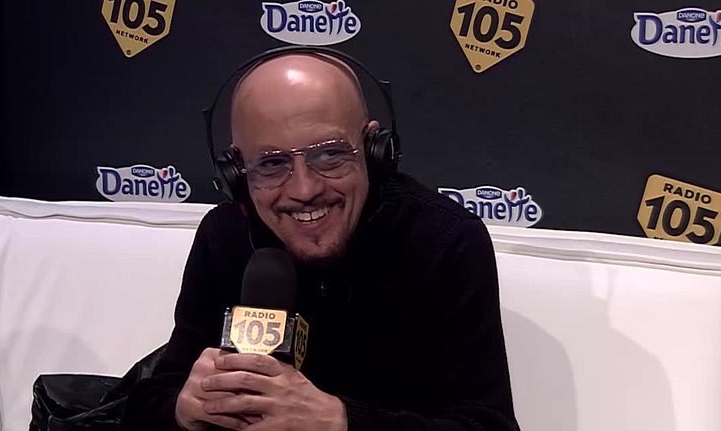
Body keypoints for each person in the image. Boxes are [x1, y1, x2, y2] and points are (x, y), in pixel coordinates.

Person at [121, 48, 519, 431]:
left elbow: (488, 424)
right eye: (272, 163)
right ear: (236, 172)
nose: (304, 189)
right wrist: (181, 411)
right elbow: (148, 402)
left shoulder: (445, 241)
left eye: (329, 155)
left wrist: (340, 422)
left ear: (374, 151)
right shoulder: (224, 236)